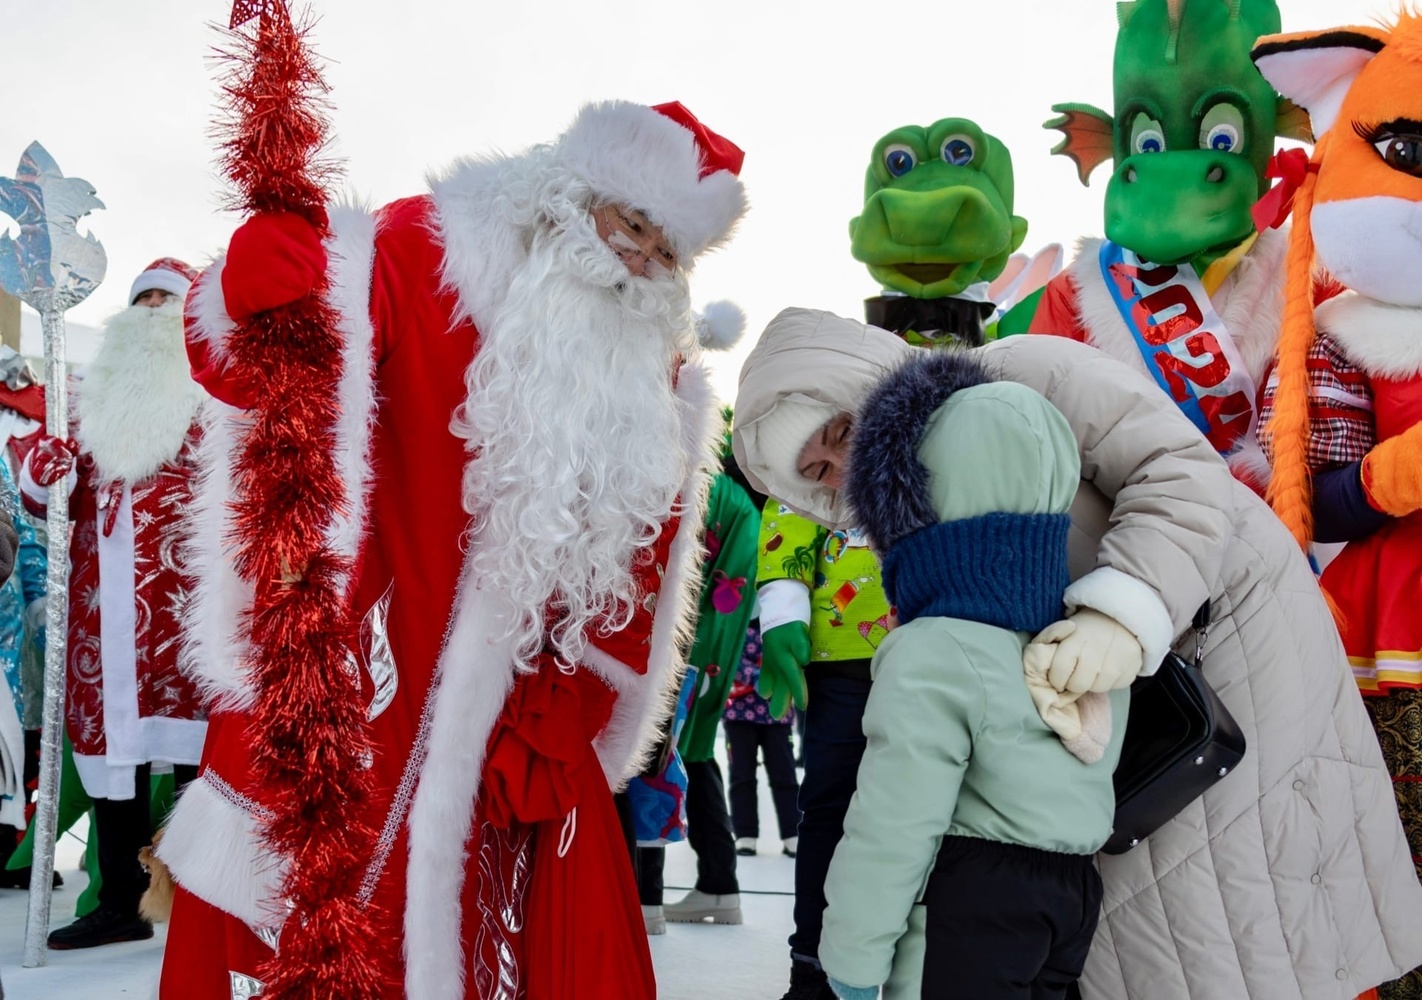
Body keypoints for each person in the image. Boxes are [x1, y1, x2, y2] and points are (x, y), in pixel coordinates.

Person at [157, 100, 747, 998]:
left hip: (509, 748)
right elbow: (272, 378)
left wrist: (574, 702)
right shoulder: (417, 256)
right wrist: (248, 297)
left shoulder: (652, 384)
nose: (641, 260)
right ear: (569, 192)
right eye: (633, 223)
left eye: (669, 252)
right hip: (347, 680)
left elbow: (631, 586)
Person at [732, 306, 1422, 999]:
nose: (840, 467)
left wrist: (1123, 609)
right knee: (1184, 940)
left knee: (1254, 912)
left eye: (841, 431)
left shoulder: (1021, 372)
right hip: (1115, 732)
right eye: (816, 470)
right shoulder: (906, 501)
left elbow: (1177, 471)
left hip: (1220, 664)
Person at [822, 352, 1124, 1000]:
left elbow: (895, 819)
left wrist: (852, 958)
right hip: (1071, 895)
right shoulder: (1080, 642)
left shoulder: (934, 651)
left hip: (967, 903)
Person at [1253, 17, 1422, 998]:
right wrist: (1403, 475)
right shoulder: (1337, 331)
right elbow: (1318, 497)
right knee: (1382, 883)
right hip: (1387, 644)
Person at [20, 259, 209, 949]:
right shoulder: (90, 402)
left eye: (167, 299)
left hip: (189, 609)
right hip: (107, 617)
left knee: (203, 759)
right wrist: (47, 475)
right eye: (143, 298)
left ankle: (200, 904)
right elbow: (50, 509)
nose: (152, 308)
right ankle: (122, 903)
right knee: (114, 761)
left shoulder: (218, 397)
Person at [723, 621, 802, 858]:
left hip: (777, 713)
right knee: (741, 776)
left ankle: (792, 834)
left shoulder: (785, 620)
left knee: (785, 776)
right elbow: (727, 657)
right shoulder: (735, 623)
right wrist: (758, 675)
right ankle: (745, 835)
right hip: (738, 712)